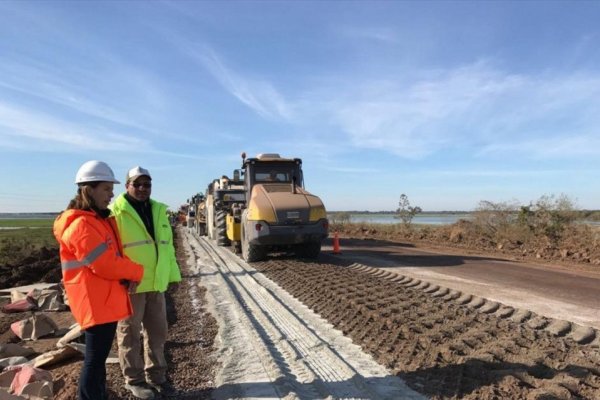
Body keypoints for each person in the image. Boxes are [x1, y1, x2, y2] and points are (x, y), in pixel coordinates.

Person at [53, 160, 144, 400]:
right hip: (95, 302)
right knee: (94, 361)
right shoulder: (82, 225)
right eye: (105, 188)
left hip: (102, 300)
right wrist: (135, 271)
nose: (111, 194)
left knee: (98, 359)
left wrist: (124, 276)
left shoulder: (95, 220)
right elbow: (104, 264)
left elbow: (109, 261)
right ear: (88, 189)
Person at [110, 166, 181, 399]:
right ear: (127, 185)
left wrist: (170, 277)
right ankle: (135, 380)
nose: (142, 188)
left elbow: (166, 248)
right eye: (137, 184)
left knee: (158, 333)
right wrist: (120, 276)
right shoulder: (116, 213)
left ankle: (157, 377)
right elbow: (112, 252)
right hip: (131, 285)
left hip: (155, 284)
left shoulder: (158, 211)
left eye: (146, 184)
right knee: (129, 333)